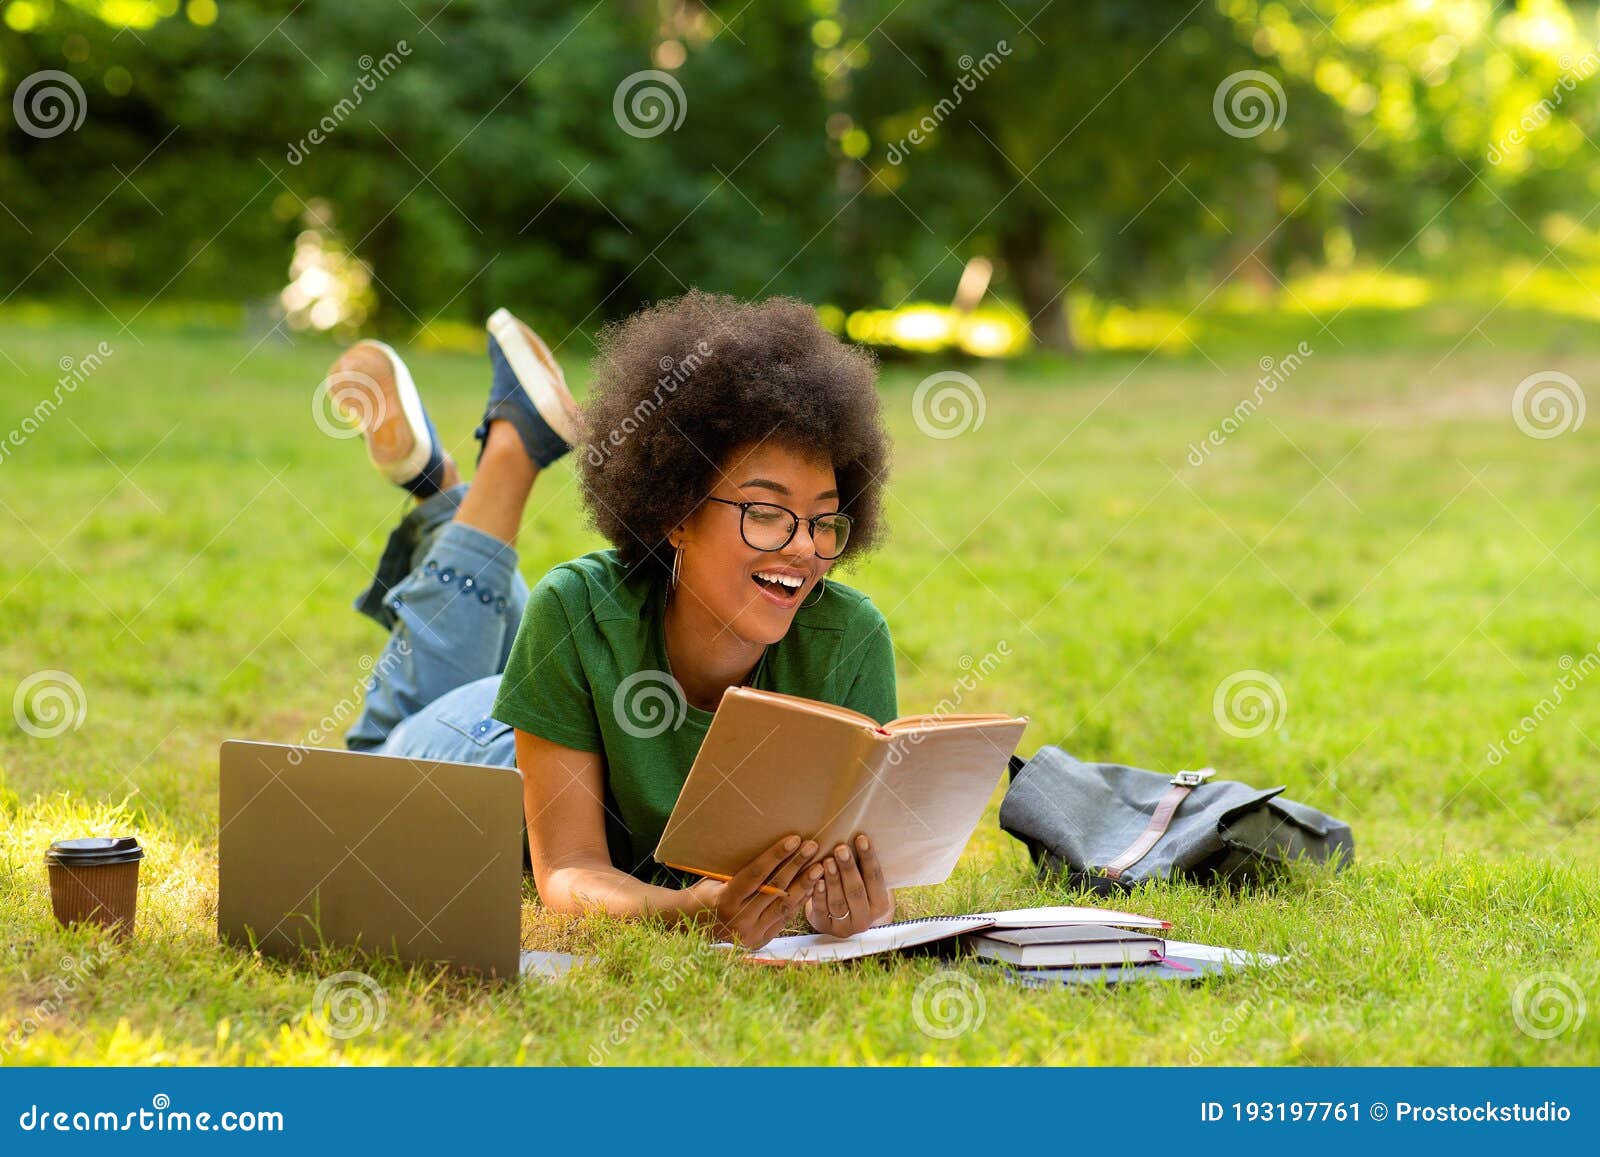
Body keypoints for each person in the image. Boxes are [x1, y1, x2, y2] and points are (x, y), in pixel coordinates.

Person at [329, 292, 897, 949]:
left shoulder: (850, 642)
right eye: (764, 511)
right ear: (676, 513)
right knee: (365, 772)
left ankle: (443, 497)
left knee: (562, 629)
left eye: (825, 519)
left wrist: (854, 911)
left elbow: (862, 875)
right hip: (483, 746)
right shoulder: (576, 610)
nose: (804, 546)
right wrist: (688, 910)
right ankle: (512, 448)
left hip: (567, 678)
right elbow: (569, 871)